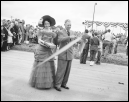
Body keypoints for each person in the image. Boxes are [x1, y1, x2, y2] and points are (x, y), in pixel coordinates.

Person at [29, 15, 57, 89]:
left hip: (48, 50)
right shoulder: (40, 31)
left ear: (50, 24)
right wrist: (45, 43)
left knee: (48, 67)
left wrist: (51, 45)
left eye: (48, 24)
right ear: (43, 24)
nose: (47, 25)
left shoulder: (52, 32)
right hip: (42, 49)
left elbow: (52, 42)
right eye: (45, 24)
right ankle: (39, 83)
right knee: (41, 66)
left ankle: (46, 84)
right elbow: (39, 40)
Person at [54, 19, 76, 91]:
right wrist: (69, 37)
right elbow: (59, 40)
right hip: (63, 54)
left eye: (70, 25)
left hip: (70, 54)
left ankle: (64, 84)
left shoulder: (72, 32)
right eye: (68, 25)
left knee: (67, 71)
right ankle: (57, 85)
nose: (69, 26)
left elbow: (74, 41)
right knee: (61, 70)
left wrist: (82, 40)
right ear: (64, 25)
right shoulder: (60, 32)